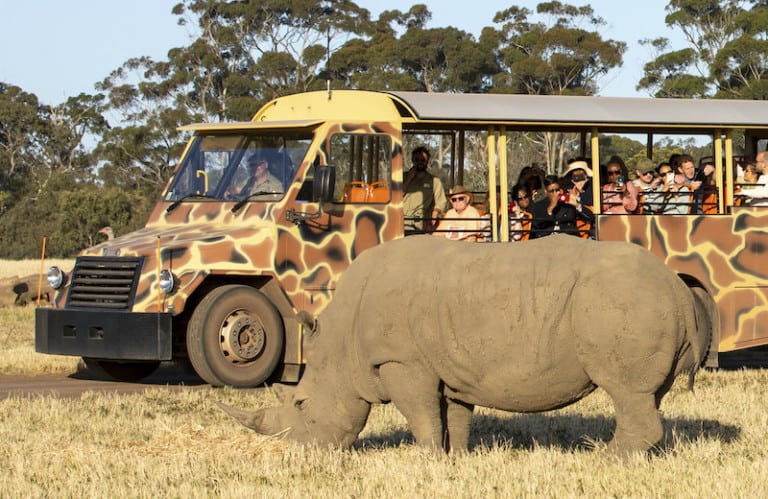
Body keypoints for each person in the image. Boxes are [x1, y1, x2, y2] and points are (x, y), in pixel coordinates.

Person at [403, 146, 448, 233]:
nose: (420, 162)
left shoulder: (435, 181)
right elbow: (395, 197)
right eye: (417, 160)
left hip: (421, 223)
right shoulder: (402, 177)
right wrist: (408, 179)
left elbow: (441, 202)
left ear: (427, 162)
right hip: (401, 221)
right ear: (412, 161)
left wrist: (436, 211)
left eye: (423, 160)